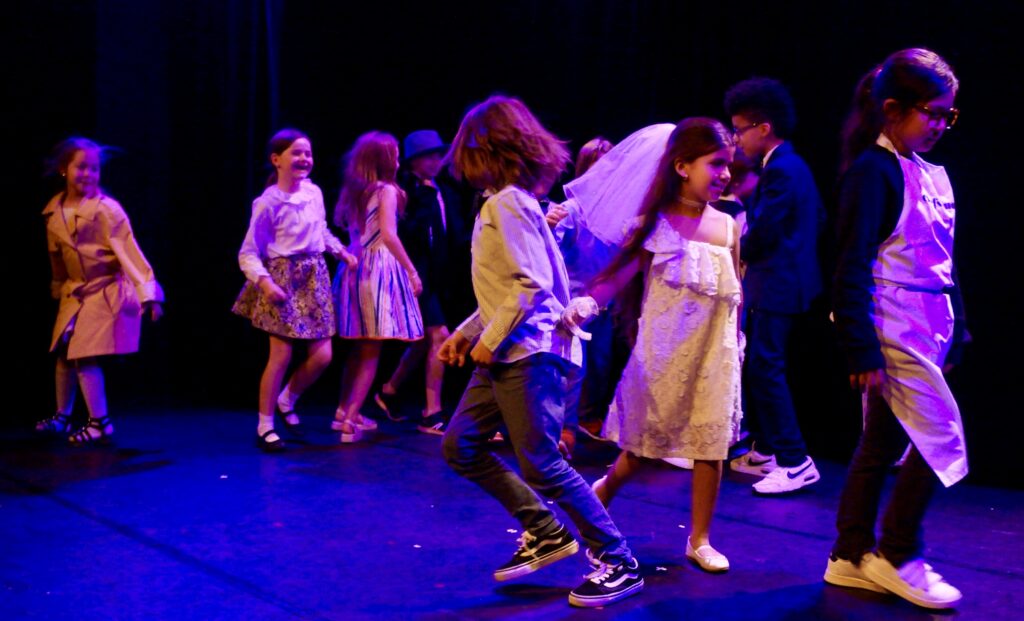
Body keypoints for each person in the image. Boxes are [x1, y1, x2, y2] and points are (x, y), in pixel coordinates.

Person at [438, 95, 643, 608]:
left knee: (543, 464)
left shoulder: (506, 203)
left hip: (526, 352)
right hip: (511, 349)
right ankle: (545, 529)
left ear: (484, 149)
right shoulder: (516, 203)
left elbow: (530, 287)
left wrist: (485, 341)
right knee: (460, 444)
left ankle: (617, 559)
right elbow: (512, 285)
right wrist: (467, 333)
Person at [564, 117, 743, 573]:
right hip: (664, 351)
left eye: (729, 165)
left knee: (711, 445)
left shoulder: (728, 226)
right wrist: (586, 304)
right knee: (643, 447)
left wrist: (737, 340)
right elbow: (618, 276)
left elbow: (737, 289)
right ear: (682, 166)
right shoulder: (655, 222)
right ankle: (603, 491)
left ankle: (700, 538)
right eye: (716, 164)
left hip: (715, 352)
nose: (724, 173)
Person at [825, 48, 967, 610]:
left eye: (947, 115)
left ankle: (849, 552)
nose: (938, 124)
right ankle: (898, 551)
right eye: (931, 112)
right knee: (941, 439)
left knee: (883, 442)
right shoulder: (873, 172)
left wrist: (961, 327)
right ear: (892, 109)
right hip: (894, 325)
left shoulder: (929, 173)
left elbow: (944, 259)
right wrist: (861, 346)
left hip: (930, 323)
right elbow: (851, 263)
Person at [724, 77, 825, 493]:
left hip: (778, 282)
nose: (736, 139)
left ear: (762, 128)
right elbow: (815, 218)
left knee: (766, 365)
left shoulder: (782, 169)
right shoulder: (790, 166)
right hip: (784, 278)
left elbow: (764, 230)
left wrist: (732, 251)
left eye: (740, 129)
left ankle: (794, 459)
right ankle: (765, 449)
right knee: (761, 363)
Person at [233, 128, 356, 452]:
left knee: (323, 356)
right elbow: (248, 251)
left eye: (308, 153)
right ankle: (265, 424)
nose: (304, 159)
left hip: (314, 275)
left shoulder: (314, 193)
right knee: (281, 355)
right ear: (277, 160)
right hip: (282, 278)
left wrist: (339, 250)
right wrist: (265, 282)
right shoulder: (268, 202)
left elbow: (321, 230)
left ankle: (287, 398)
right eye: (296, 153)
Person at [36, 137, 164, 445]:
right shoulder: (54, 211)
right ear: (64, 169)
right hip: (75, 291)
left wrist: (149, 294)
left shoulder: (106, 210)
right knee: (65, 353)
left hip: (104, 290)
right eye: (81, 167)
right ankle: (62, 416)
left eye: (94, 169)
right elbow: (56, 255)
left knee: (85, 355)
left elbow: (130, 252)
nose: (88, 175)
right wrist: (58, 287)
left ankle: (100, 422)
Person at [333, 131, 424, 443]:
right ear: (385, 160)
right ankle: (349, 421)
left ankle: (345, 411)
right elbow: (388, 234)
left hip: (354, 269)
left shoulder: (355, 190)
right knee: (371, 349)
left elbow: (345, 227)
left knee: (359, 347)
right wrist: (411, 271)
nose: (399, 160)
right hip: (377, 270)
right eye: (395, 154)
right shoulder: (386, 190)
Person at [375, 129, 468, 434]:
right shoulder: (407, 191)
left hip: (441, 274)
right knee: (439, 336)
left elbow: (451, 231)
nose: (436, 160)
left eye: (438, 154)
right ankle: (432, 411)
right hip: (417, 274)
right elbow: (406, 232)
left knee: (424, 340)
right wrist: (425, 197)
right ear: (414, 161)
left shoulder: (444, 188)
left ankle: (389, 390)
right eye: (429, 156)